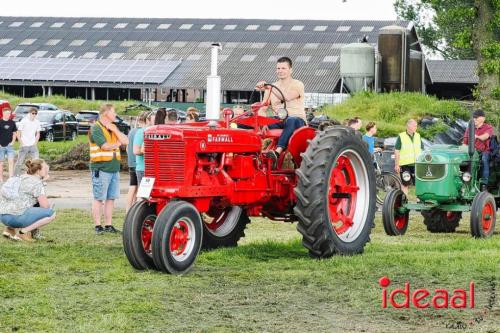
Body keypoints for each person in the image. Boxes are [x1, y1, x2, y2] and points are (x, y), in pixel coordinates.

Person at [256, 57, 306, 168]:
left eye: (283, 68)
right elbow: (263, 108)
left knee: (291, 120)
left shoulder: (298, 84)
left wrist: (270, 87)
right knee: (251, 122)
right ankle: (252, 153)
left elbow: (287, 97)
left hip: (297, 120)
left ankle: (277, 152)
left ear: (290, 70)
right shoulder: (271, 87)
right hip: (279, 119)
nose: (280, 70)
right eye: (278, 68)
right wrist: (262, 121)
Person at [89, 104, 129, 234]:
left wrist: (115, 130)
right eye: (113, 111)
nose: (115, 114)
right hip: (101, 168)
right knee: (99, 198)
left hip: (113, 169)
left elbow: (126, 141)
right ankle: (98, 226)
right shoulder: (96, 128)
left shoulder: (113, 127)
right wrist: (117, 143)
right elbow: (104, 146)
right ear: (106, 113)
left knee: (111, 198)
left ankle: (108, 225)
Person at [0, 159, 56, 242]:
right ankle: (23, 233)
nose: (47, 170)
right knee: (51, 213)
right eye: (45, 169)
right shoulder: (37, 183)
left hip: (3, 216)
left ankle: (9, 230)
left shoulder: (18, 177)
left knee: (25, 203)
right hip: (16, 218)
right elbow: (45, 206)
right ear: (38, 171)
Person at [463, 109, 494, 190]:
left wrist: (476, 136)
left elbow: (485, 137)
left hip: (484, 151)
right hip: (472, 151)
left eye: (477, 117)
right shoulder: (469, 128)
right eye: (474, 117)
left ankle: (484, 183)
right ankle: (465, 181)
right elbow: (465, 142)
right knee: (463, 160)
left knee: (484, 159)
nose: (475, 119)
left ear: (483, 119)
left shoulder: (488, 127)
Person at [125, 111, 147, 212]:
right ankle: (134, 210)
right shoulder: (141, 132)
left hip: (131, 162)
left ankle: (129, 210)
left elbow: (126, 148)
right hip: (137, 163)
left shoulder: (131, 132)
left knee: (132, 187)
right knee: (137, 189)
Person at [394, 119, 424, 195]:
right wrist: (397, 165)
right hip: (405, 166)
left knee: (419, 184)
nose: (416, 127)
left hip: (417, 165)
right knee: (405, 184)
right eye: (414, 126)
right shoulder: (401, 136)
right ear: (408, 126)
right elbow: (397, 151)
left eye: (416, 126)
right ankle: (404, 201)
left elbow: (422, 150)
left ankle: (419, 201)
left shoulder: (418, 135)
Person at [14, 107, 41, 175]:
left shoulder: (37, 122)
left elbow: (38, 133)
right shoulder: (24, 121)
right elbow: (18, 132)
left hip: (33, 145)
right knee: (19, 162)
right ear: (29, 113)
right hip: (24, 145)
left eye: (35, 114)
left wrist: (35, 143)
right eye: (33, 113)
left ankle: (36, 176)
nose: (34, 115)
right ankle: (14, 176)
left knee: (37, 162)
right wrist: (21, 143)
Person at [0, 108, 17, 183]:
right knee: (1, 163)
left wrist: (13, 141)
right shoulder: (0, 122)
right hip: (1, 146)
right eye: (6, 113)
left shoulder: (12, 122)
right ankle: (1, 179)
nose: (8, 115)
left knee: (11, 162)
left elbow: (14, 133)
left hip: (10, 146)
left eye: (9, 113)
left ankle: (11, 179)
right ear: (3, 113)